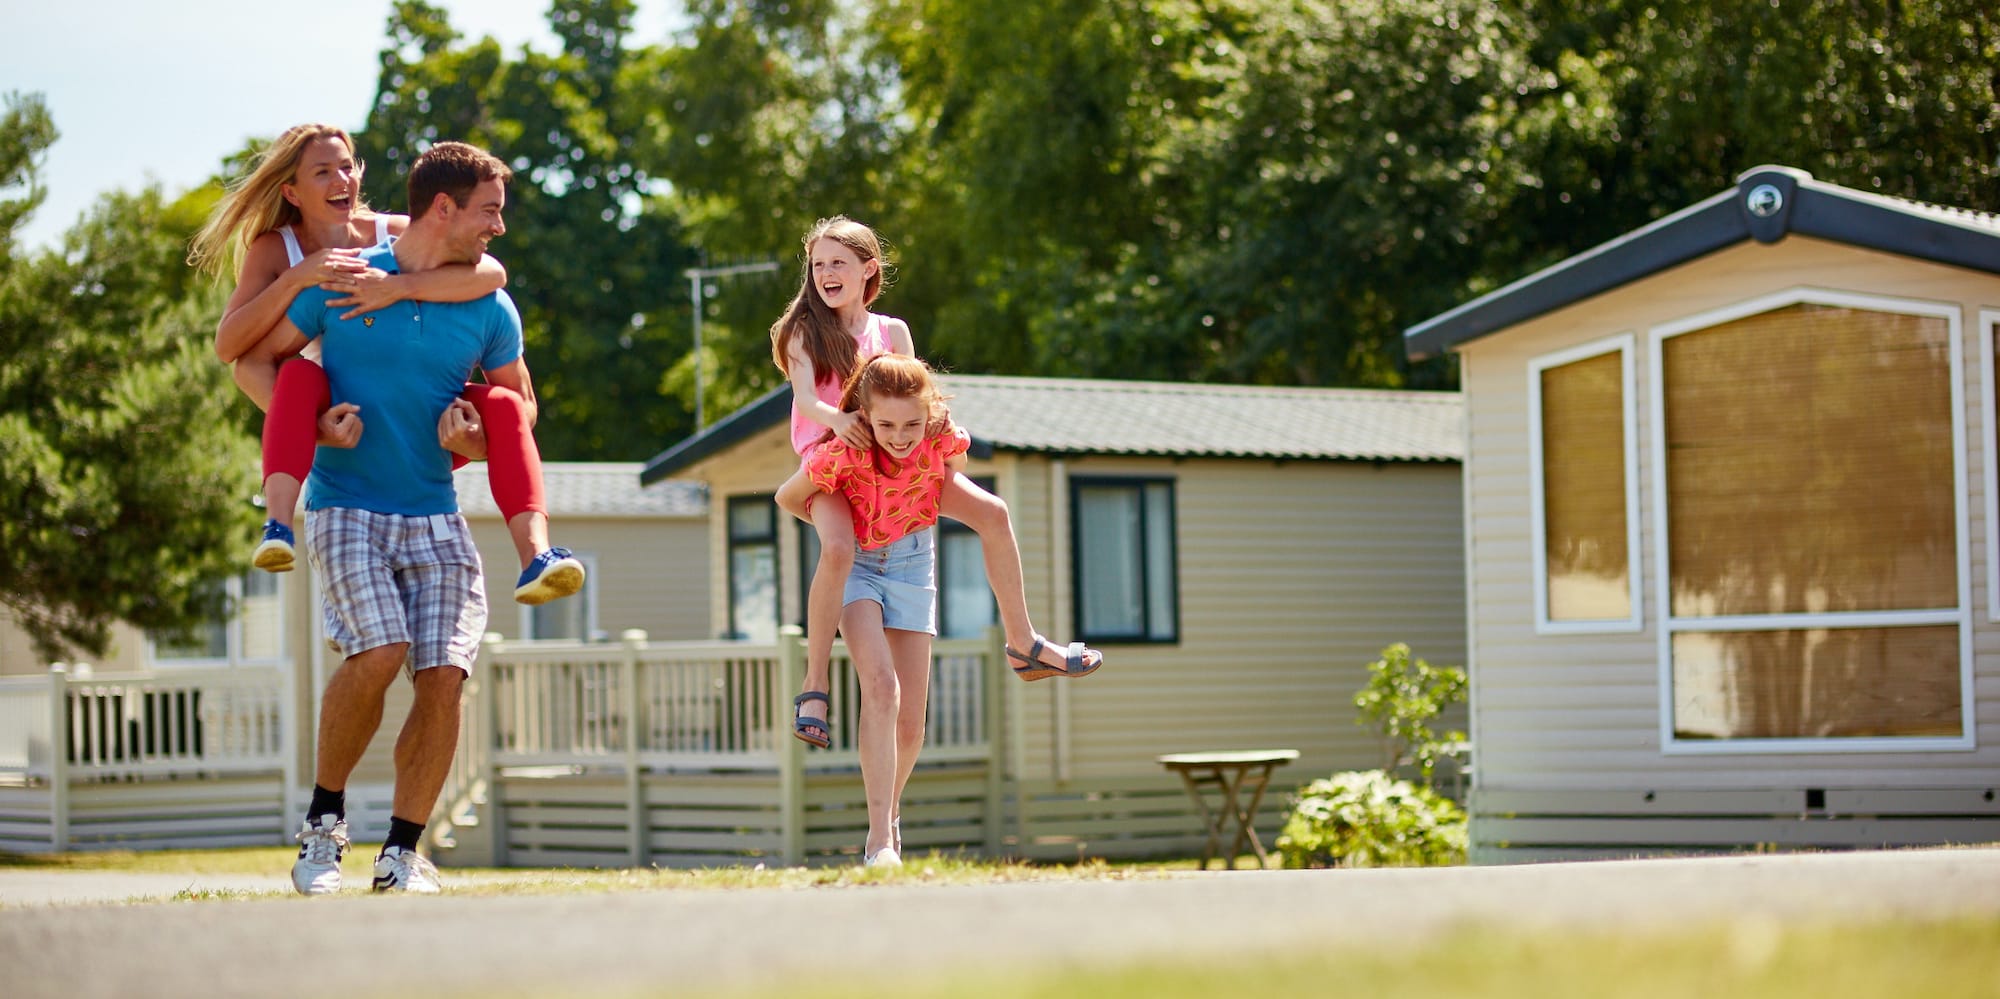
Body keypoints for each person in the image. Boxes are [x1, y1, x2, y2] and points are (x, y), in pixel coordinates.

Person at [231, 140, 530, 894]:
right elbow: (251, 356)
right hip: (347, 502)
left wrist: (479, 437)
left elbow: (522, 404)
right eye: (489, 212)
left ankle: (402, 852)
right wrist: (308, 426)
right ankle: (324, 830)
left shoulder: (486, 300)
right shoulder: (342, 279)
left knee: (444, 674)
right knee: (379, 648)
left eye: (349, 166)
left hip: (436, 509)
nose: (498, 227)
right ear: (443, 208)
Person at [187, 122, 583, 604]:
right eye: (323, 172)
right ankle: (277, 525)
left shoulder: (390, 232)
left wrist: (396, 287)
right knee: (296, 374)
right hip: (340, 415)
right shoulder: (277, 250)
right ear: (291, 190)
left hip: (419, 410)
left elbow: (492, 272)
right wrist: (300, 279)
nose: (342, 180)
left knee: (505, 403)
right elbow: (233, 350)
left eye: (347, 166)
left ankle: (536, 557)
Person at [769, 216, 1102, 756]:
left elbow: (915, 392)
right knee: (837, 548)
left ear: (867, 269)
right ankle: (815, 684)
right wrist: (839, 421)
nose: (827, 273)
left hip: (897, 456)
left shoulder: (891, 332)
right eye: (819, 264)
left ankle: (1025, 644)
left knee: (992, 512)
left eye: (839, 263)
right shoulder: (804, 331)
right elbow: (805, 398)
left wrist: (942, 425)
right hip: (836, 459)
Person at [775, 354, 970, 866]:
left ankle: (891, 813)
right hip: (859, 566)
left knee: (910, 727)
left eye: (911, 423)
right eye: (885, 424)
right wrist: (833, 525)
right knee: (881, 688)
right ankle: (880, 839)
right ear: (864, 415)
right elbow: (787, 496)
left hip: (913, 564)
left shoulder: (933, 436)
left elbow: (954, 470)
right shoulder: (843, 451)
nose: (900, 436)